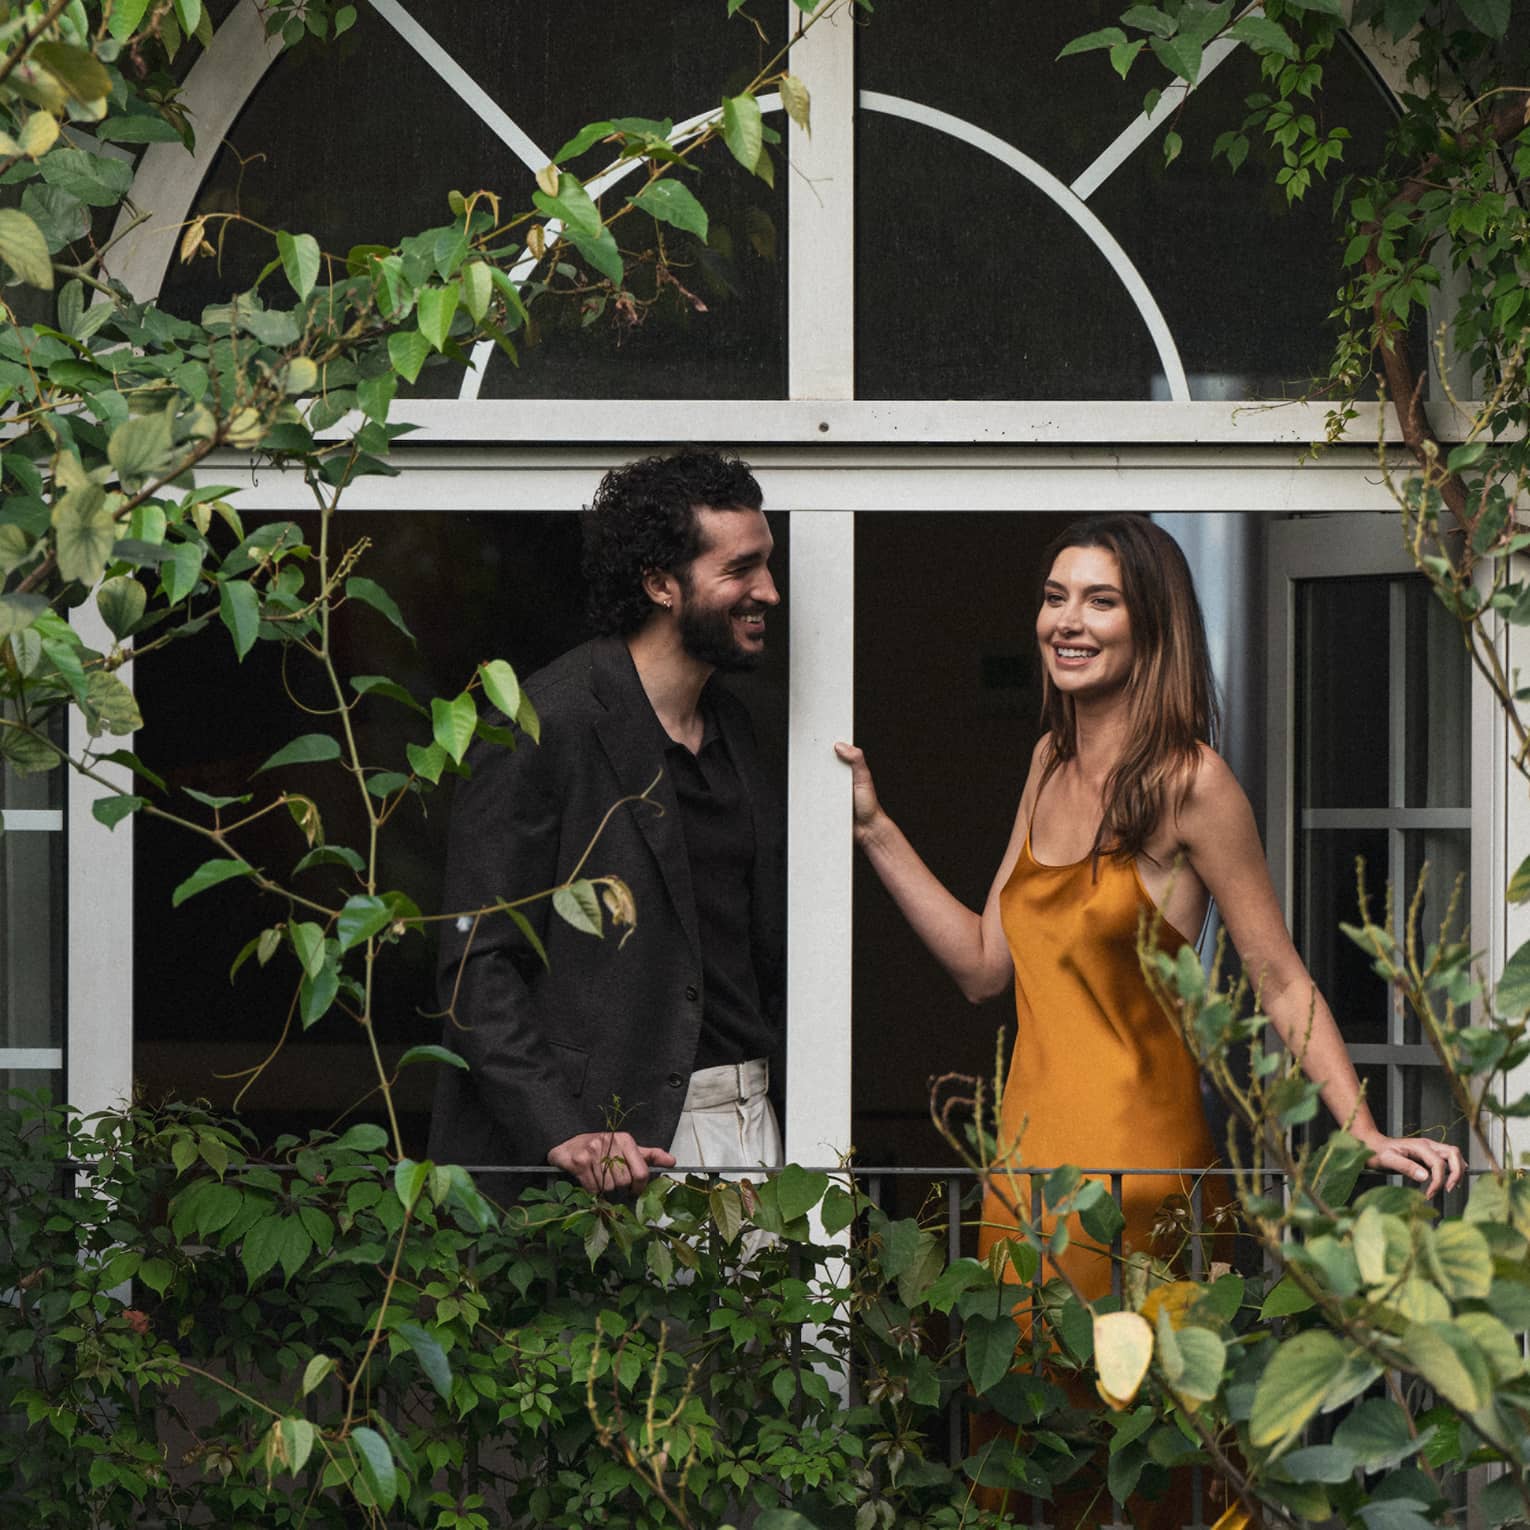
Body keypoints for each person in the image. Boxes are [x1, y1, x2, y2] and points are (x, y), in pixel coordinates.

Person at [836, 515, 1463, 1512]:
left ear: (1150, 628)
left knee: (1154, 1471)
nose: (1066, 621)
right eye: (1054, 596)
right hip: (1024, 1196)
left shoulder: (1190, 783)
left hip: (1142, 1194)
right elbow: (984, 965)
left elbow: (1281, 979)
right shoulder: (1045, 761)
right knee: (1029, 1470)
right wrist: (875, 830)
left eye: (1099, 599)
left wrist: (1361, 1129)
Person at [428, 449, 786, 1201]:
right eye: (741, 570)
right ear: (661, 583)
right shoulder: (543, 721)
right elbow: (477, 963)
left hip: (751, 1113)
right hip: (621, 1143)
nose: (769, 592)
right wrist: (563, 1129)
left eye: (768, 566)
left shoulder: (735, 730)